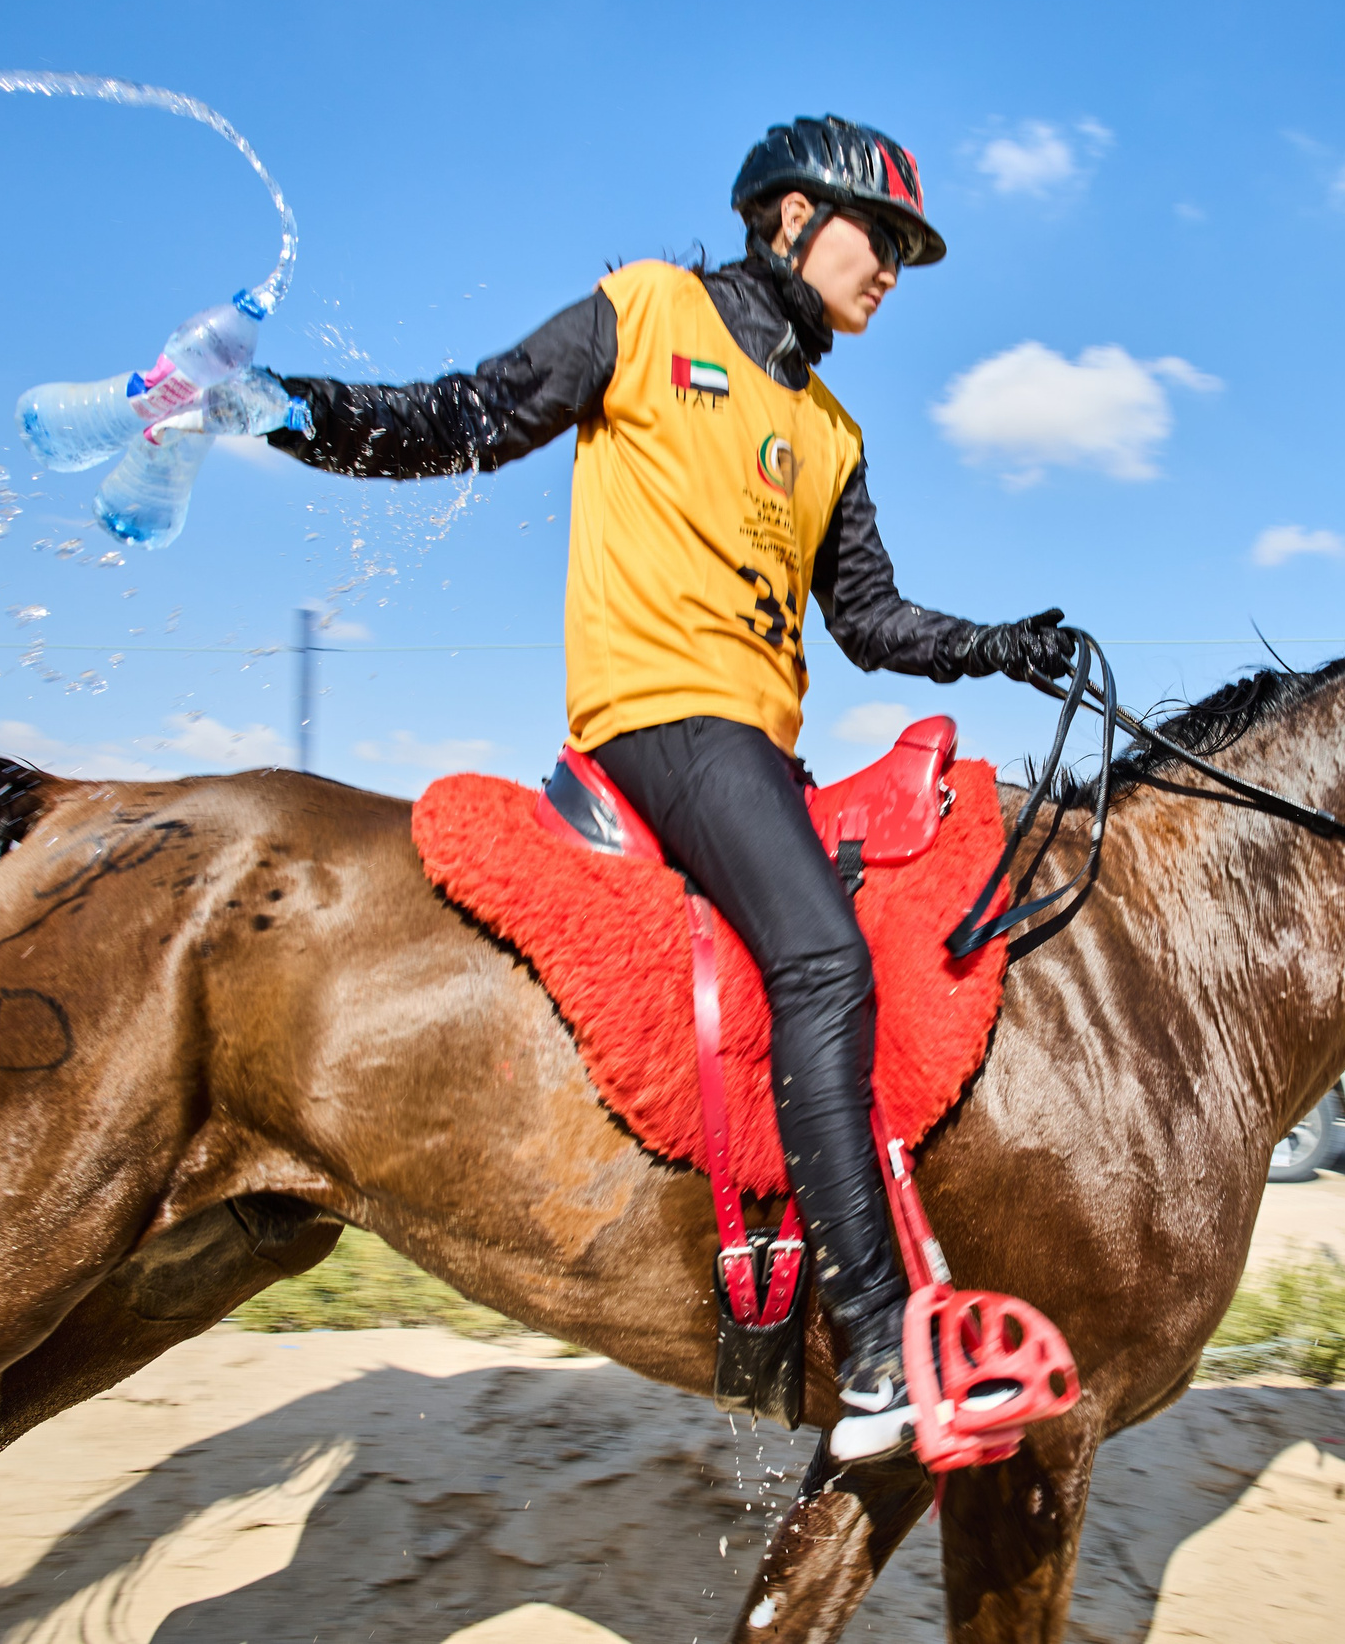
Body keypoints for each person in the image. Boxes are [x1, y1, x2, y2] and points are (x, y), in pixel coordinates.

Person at [229, 115, 1076, 1463]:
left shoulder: (833, 428)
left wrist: (999, 644)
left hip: (761, 753)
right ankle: (875, 1352)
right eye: (881, 237)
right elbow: (464, 415)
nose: (892, 270)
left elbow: (868, 620)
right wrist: (286, 407)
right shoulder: (647, 311)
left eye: (908, 254)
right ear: (792, 216)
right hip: (661, 718)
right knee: (824, 959)